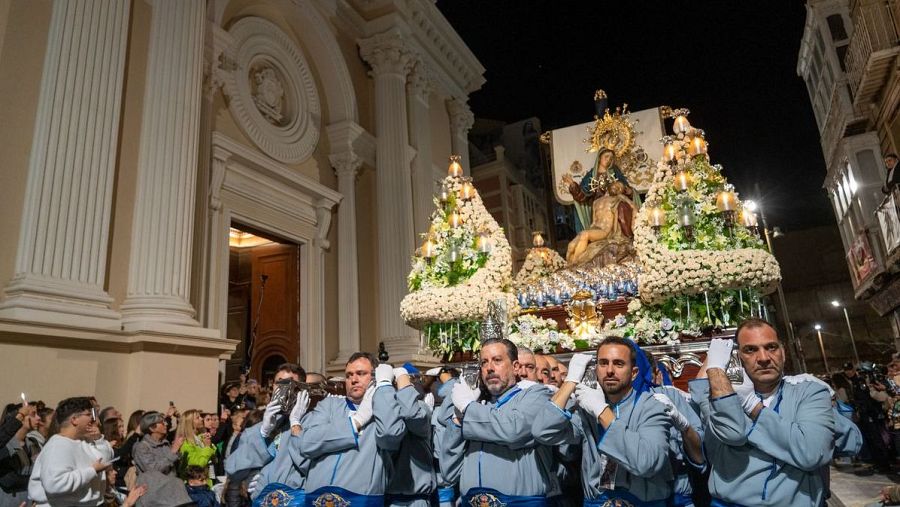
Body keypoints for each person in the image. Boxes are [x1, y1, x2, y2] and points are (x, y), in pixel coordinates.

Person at [691, 318, 834, 506]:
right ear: (738, 357)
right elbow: (730, 432)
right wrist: (715, 369)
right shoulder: (721, 396)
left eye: (771, 347)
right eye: (751, 350)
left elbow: (812, 453)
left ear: (783, 352)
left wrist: (752, 406)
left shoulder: (809, 391)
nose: (764, 358)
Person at [533, 339, 672, 505]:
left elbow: (646, 463)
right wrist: (570, 382)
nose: (610, 371)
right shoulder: (587, 406)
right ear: (596, 368)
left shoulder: (652, 407)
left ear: (634, 372)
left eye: (619, 364)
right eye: (603, 363)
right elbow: (542, 431)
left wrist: (602, 411)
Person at [441, 338, 558, 506]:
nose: (489, 368)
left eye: (497, 360)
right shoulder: (478, 403)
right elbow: (449, 473)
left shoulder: (536, 395)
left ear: (516, 367)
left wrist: (468, 408)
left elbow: (512, 430)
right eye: (484, 362)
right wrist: (458, 419)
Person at [298, 352, 406, 506]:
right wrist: (357, 421)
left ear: (375, 377)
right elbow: (307, 443)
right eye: (349, 375)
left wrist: (384, 389)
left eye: (361, 374)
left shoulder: (385, 410)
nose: (353, 380)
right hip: (317, 500)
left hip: (361, 500)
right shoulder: (329, 405)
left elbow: (390, 436)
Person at [225, 362, 310, 502]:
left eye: (289, 383)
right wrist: (263, 432)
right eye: (279, 383)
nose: (283, 389)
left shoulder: (311, 422)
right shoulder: (257, 425)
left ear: (301, 388)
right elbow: (232, 468)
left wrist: (295, 423)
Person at [28, 397, 113, 506]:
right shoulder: (57, 445)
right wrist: (91, 471)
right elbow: (55, 483)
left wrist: (98, 439)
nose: (93, 419)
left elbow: (104, 461)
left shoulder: (83, 441)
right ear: (74, 419)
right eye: (88, 414)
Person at [645, 353, 705, 507]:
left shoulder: (670, 396)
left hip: (679, 493)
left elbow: (700, 458)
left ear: (657, 376)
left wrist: (683, 425)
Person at [386, 364, 436, 507]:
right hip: (387, 497)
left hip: (415, 498)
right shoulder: (386, 409)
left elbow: (410, 413)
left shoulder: (421, 408)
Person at [131, 411, 193, 506]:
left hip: (170, 494)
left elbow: (171, 468)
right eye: (162, 422)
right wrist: (172, 452)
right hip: (154, 496)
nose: (166, 424)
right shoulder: (142, 447)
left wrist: (178, 453)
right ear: (152, 428)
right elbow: (153, 470)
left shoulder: (165, 444)